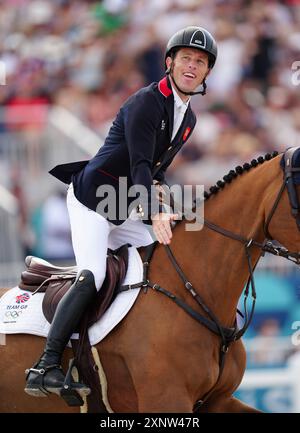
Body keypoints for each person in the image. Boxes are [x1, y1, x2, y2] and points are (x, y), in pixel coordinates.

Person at [24, 26, 218, 403]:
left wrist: (168, 204)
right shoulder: (146, 102)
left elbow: (156, 172)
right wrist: (156, 213)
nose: (192, 66)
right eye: (186, 59)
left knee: (160, 262)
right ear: (169, 63)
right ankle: (45, 365)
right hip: (93, 201)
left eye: (200, 62)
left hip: (124, 205)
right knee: (94, 275)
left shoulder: (188, 118)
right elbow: (141, 164)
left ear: (207, 72)